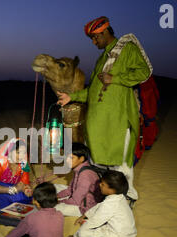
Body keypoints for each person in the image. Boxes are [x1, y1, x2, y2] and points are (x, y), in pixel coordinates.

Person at [57, 16, 151, 201]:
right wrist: (71, 97)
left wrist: (115, 79)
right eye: (91, 38)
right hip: (96, 123)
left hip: (117, 118)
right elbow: (93, 90)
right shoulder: (102, 58)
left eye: (95, 37)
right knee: (98, 162)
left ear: (105, 31)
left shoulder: (127, 49)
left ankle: (126, 197)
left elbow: (144, 72)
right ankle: (103, 195)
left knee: (121, 162)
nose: (93, 42)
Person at [68, 170, 137, 237]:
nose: (100, 185)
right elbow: (99, 206)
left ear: (112, 189)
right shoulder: (119, 197)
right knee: (94, 226)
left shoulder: (110, 205)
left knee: (83, 233)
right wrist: (85, 215)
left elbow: (95, 221)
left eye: (103, 184)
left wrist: (76, 235)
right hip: (128, 233)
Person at [54, 143, 102, 217]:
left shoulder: (85, 175)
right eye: (66, 157)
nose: (67, 160)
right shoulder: (79, 168)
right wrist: (57, 196)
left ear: (81, 159)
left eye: (71, 158)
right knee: (54, 187)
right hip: (79, 196)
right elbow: (70, 189)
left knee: (53, 207)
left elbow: (76, 201)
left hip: (85, 206)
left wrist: (59, 201)